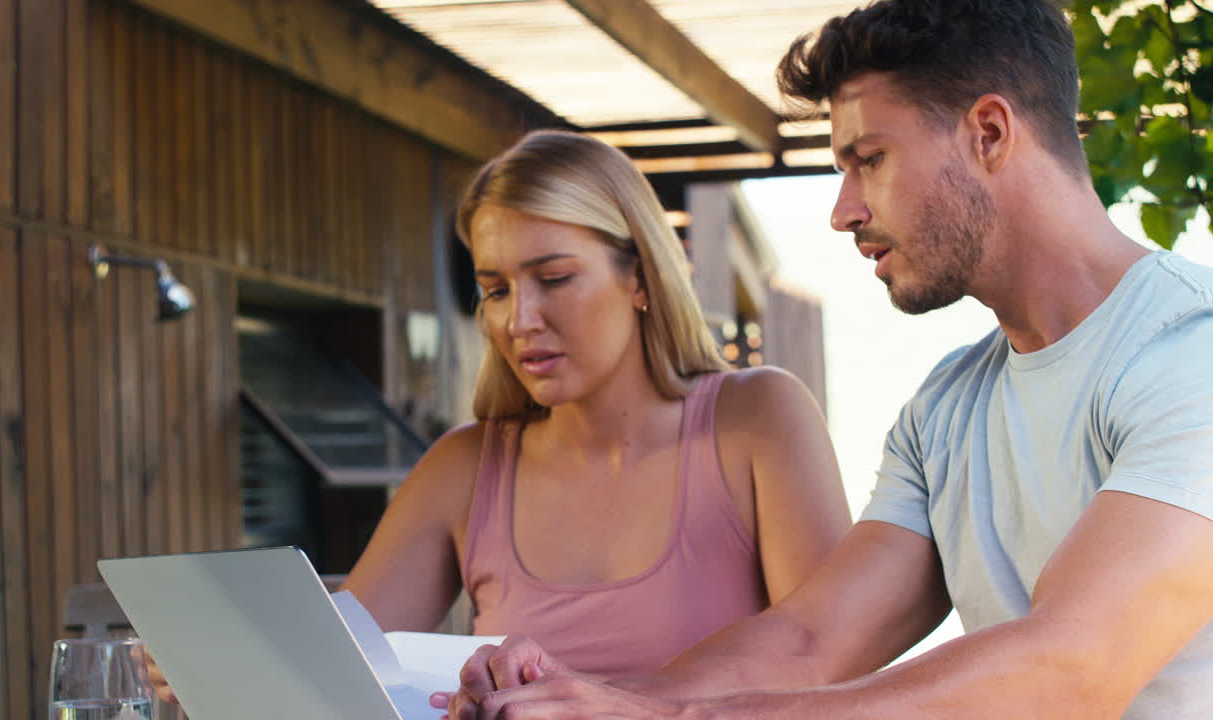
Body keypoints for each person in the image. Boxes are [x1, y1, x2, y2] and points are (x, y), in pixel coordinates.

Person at [444, 2, 1213, 719]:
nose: (844, 211)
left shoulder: (1189, 351)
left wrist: (671, 719)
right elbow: (810, 643)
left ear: (988, 133)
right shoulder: (945, 412)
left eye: (869, 159)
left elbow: (1072, 666)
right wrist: (578, 701)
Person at [145, 130, 851, 702]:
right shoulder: (465, 467)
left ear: (639, 276)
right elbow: (334, 672)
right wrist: (220, 659)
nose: (521, 319)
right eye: (495, 290)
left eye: (554, 278)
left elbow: (836, 666)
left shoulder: (759, 417)